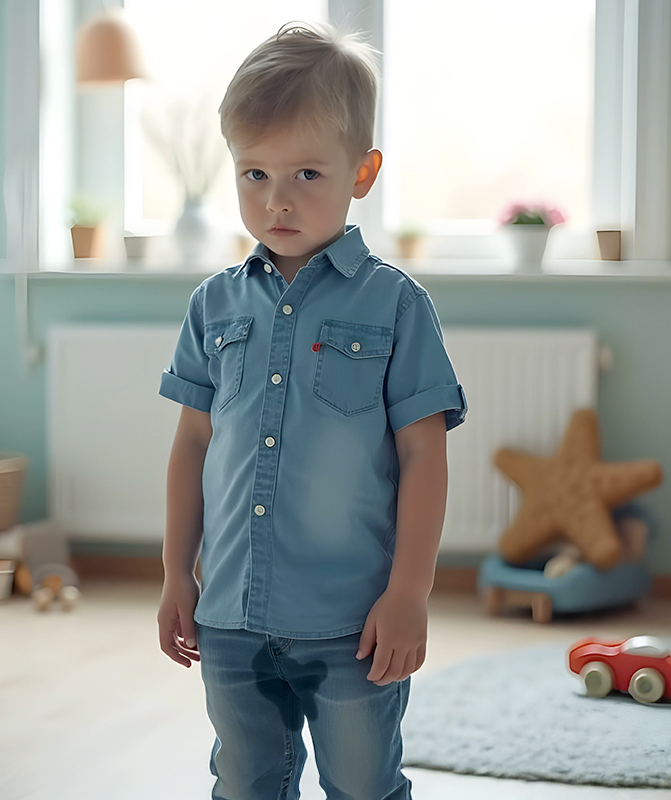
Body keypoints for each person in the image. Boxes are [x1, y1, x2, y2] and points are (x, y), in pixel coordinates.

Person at [157, 22, 466, 799]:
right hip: (230, 616)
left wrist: (409, 594)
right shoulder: (213, 304)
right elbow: (193, 442)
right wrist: (173, 574)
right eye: (254, 173)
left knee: (363, 785)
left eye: (305, 173)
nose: (277, 199)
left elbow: (425, 457)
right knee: (246, 780)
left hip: (352, 623)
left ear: (362, 173)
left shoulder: (396, 305)